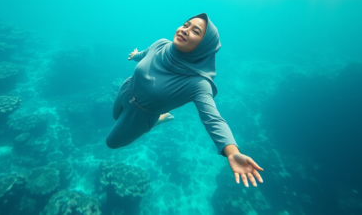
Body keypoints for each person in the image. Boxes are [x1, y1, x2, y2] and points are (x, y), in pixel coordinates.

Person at [106, 13, 264, 187]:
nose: (185, 30)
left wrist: (232, 152)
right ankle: (151, 120)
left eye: (195, 31)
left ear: (204, 46)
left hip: (141, 115)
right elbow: (146, 54)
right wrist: (136, 55)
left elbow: (213, 119)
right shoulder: (161, 44)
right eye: (186, 25)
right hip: (126, 90)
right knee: (115, 117)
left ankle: (155, 121)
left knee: (112, 143)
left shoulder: (198, 83)